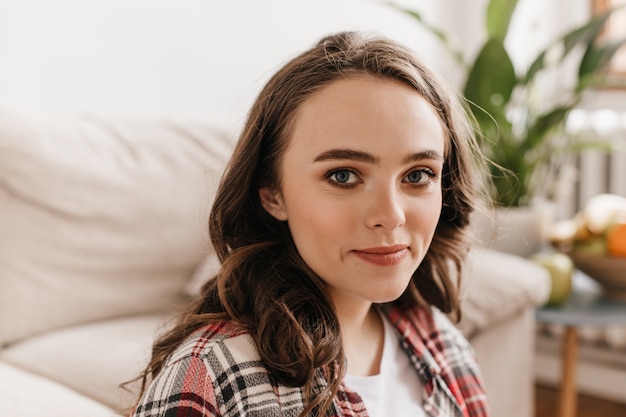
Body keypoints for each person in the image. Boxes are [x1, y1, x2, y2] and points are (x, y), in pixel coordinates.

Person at [130, 31, 490, 417]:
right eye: (342, 176)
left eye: (418, 175)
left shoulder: (443, 345)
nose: (391, 216)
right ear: (272, 193)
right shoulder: (212, 375)